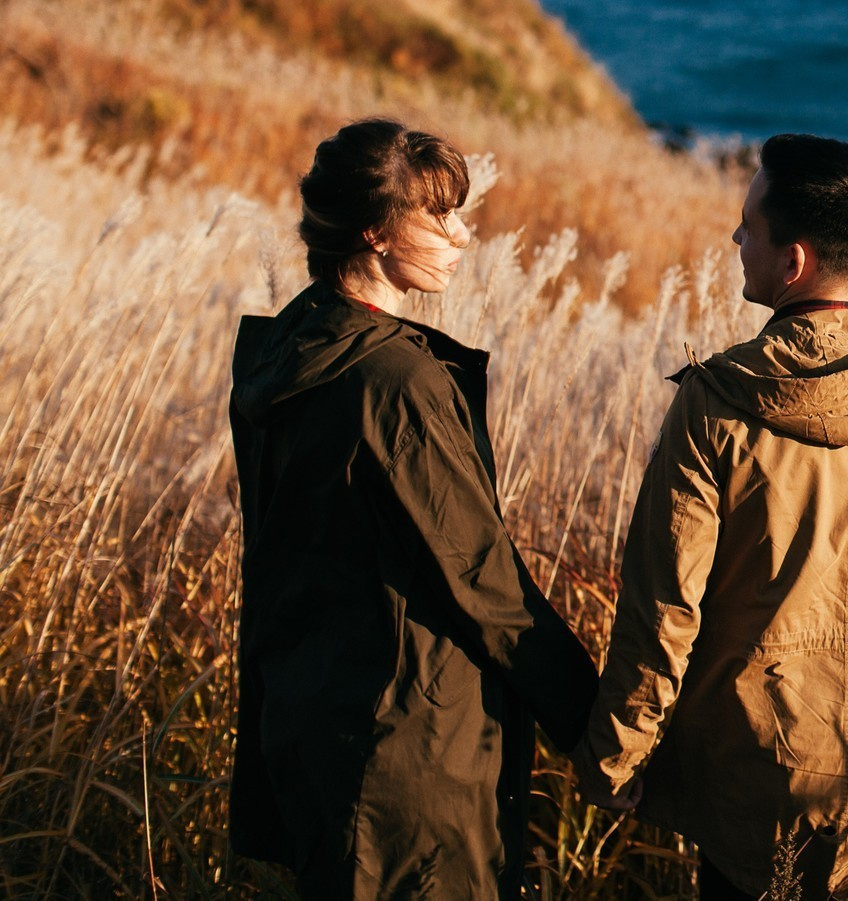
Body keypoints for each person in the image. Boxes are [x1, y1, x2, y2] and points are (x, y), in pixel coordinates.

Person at [573, 134, 848, 899]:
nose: (735, 236)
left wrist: (616, 756)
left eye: (748, 224)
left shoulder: (716, 405)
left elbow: (664, 609)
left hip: (761, 799)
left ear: (794, 261)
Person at [228, 118, 599, 900]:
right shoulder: (395, 381)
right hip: (410, 753)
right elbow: (483, 580)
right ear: (375, 229)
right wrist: (591, 721)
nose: (462, 235)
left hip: (314, 721)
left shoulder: (287, 347)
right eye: (440, 216)